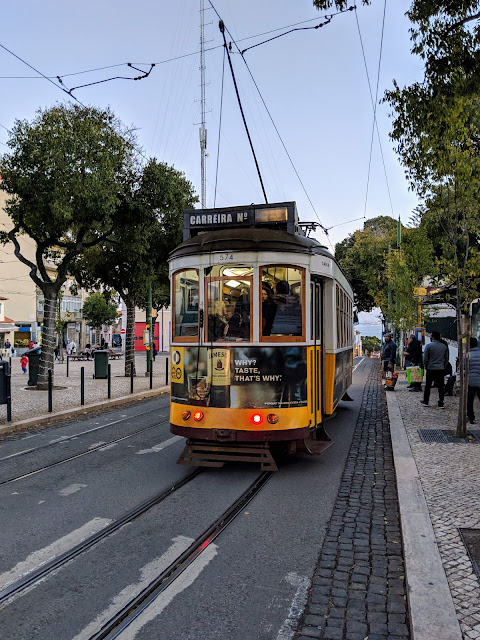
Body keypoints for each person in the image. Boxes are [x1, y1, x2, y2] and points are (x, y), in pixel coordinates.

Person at [420, 331, 449, 408]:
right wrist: (443, 366)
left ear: (432, 337)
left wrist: (426, 366)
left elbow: (425, 358)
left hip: (431, 368)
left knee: (428, 386)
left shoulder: (429, 346)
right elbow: (446, 358)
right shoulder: (444, 346)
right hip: (440, 368)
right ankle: (441, 403)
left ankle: (426, 401)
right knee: (441, 386)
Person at [467, 337, 480, 424]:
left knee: (470, 400)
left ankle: (471, 417)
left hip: (471, 380)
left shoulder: (467, 355)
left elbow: (464, 367)